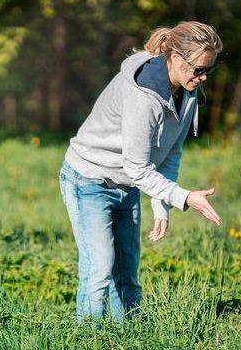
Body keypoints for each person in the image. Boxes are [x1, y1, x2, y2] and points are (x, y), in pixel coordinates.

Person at [58, 21, 223, 321]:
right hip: (90, 179)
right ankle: (89, 340)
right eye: (198, 69)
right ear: (174, 58)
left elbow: (171, 152)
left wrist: (162, 206)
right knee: (100, 271)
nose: (202, 78)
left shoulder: (186, 92)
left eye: (207, 71)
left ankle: (130, 336)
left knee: (127, 271)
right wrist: (183, 198)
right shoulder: (144, 95)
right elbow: (136, 166)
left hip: (128, 185)